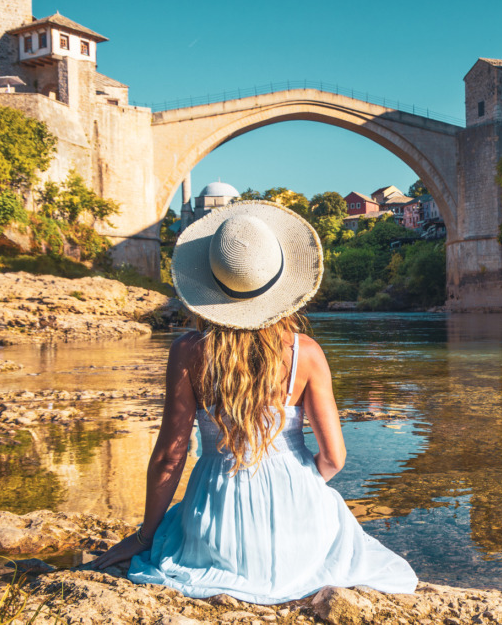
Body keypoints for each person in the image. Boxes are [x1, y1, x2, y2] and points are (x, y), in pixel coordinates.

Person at [93, 200, 417, 603]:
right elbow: (335, 458)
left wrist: (144, 536)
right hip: (302, 526)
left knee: (172, 541)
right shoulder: (306, 353)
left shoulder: (188, 350)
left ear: (208, 285)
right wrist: (300, 489)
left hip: (216, 523)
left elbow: (169, 458)